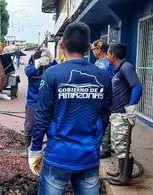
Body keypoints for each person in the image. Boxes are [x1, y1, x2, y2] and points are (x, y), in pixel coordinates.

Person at [28, 22, 112, 195]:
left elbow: (42, 115)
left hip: (58, 156)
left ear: (62, 45)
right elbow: (104, 116)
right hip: (88, 156)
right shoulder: (103, 76)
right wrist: (93, 142)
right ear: (89, 47)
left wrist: (35, 148)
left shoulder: (52, 74)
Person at [106, 43, 142, 180]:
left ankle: (125, 177)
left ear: (113, 55)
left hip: (122, 114)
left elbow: (137, 86)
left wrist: (132, 108)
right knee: (117, 145)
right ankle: (121, 172)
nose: (107, 57)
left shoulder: (126, 68)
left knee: (122, 146)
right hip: (116, 113)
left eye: (108, 54)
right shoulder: (119, 69)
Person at [23, 48, 55, 156]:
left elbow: (58, 72)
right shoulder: (33, 63)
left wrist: (50, 62)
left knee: (50, 127)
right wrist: (37, 65)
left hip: (49, 102)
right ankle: (28, 149)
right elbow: (27, 72)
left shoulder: (52, 64)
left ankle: (49, 149)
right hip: (33, 101)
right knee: (29, 127)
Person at [91, 39, 114, 159]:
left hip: (106, 97)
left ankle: (106, 148)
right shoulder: (97, 62)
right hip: (98, 97)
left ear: (99, 49)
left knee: (107, 120)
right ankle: (101, 144)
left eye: (94, 49)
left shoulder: (108, 63)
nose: (93, 51)